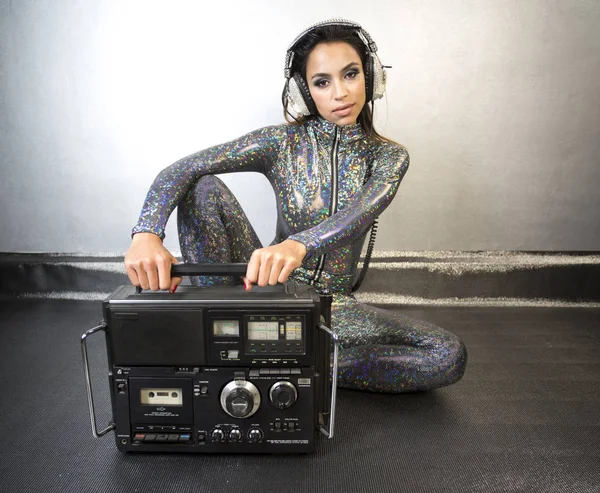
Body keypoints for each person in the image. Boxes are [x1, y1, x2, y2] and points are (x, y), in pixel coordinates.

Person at [124, 19, 467, 393]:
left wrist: (298, 245)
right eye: (322, 82)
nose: (340, 92)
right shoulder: (281, 143)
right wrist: (146, 233)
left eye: (351, 74)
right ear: (304, 92)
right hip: (262, 290)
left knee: (446, 354)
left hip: (334, 309)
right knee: (201, 188)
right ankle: (230, 327)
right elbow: (185, 168)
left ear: (371, 76)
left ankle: (286, 359)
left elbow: (360, 214)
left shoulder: (389, 158)